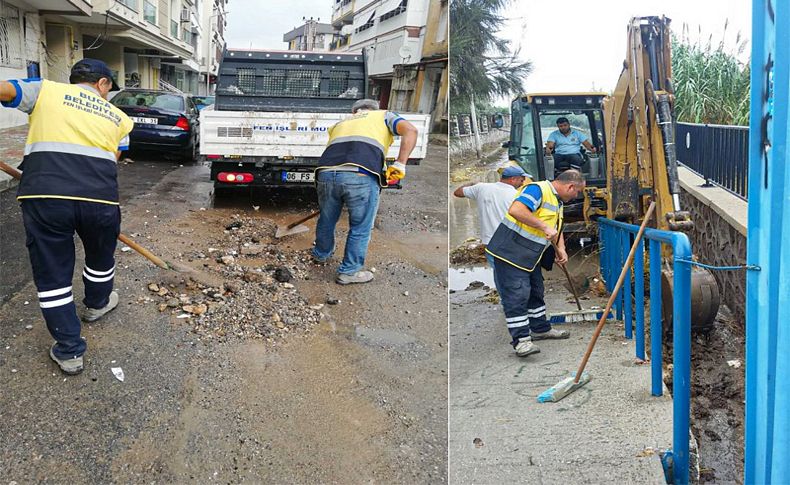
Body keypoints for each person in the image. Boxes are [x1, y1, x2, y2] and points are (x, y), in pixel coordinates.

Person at [0, 59, 134, 375]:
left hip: (46, 196)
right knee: (101, 257)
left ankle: (70, 351)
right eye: (109, 89)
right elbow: (114, 157)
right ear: (103, 84)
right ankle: (97, 304)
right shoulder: (120, 118)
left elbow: (5, 90)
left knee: (53, 272)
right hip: (100, 199)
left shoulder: (45, 91)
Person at [312, 98, 418, 285]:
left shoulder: (341, 123)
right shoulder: (384, 115)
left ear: (355, 112)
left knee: (327, 219)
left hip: (326, 173)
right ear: (373, 109)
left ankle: (321, 254)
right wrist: (400, 163)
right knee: (360, 226)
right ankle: (349, 271)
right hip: (360, 174)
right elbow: (411, 130)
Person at [485, 170, 586, 357]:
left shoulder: (557, 201)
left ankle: (540, 329)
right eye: (577, 192)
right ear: (570, 186)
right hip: (510, 253)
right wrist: (543, 226)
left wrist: (561, 248)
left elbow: (556, 228)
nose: (577, 196)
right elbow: (516, 210)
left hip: (530, 257)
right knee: (517, 295)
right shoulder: (537, 189)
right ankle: (521, 341)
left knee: (536, 291)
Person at [452, 165, 528, 282]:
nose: (522, 183)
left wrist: (472, 183)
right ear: (513, 179)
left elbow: (457, 192)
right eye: (521, 180)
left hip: (490, 243)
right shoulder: (518, 196)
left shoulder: (482, 188)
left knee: (499, 275)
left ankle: (505, 298)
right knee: (513, 277)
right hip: (510, 242)